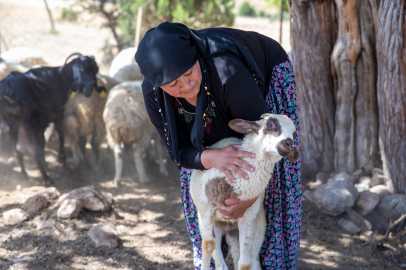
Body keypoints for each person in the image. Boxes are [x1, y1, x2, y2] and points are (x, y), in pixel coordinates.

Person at [135, 22, 302, 270]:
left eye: (188, 73)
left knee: (274, 171)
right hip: (219, 99)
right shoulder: (153, 95)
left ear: (195, 58)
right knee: (198, 182)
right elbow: (178, 152)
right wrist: (212, 157)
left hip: (261, 83)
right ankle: (211, 263)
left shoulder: (228, 71)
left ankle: (267, 263)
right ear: (159, 86)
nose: (185, 85)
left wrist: (249, 199)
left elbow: (263, 144)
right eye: (173, 84)